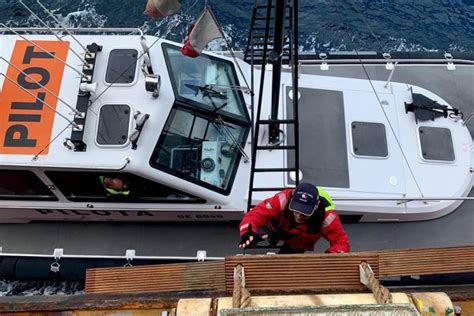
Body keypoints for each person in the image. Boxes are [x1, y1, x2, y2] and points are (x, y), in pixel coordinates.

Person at [239, 182, 350, 254]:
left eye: (305, 212)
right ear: (291, 199)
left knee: (285, 265)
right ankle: (271, 234)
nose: (299, 216)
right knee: (259, 228)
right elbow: (256, 214)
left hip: (298, 241)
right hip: (278, 226)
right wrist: (247, 232)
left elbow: (341, 243)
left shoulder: (328, 218)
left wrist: (331, 257)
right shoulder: (282, 199)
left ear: (316, 206)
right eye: (296, 210)